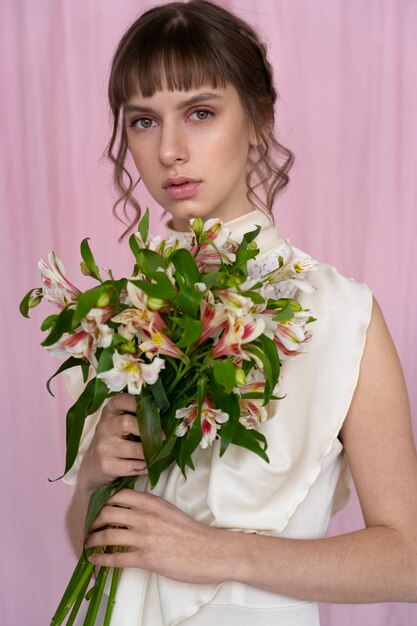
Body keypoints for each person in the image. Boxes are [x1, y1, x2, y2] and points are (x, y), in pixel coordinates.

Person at [64, 1, 417, 624]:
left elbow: (408, 559)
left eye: (200, 113)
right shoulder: (119, 313)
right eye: (143, 121)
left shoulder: (339, 313)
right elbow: (91, 546)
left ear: (259, 118)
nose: (170, 149)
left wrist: (220, 553)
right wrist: (93, 476)